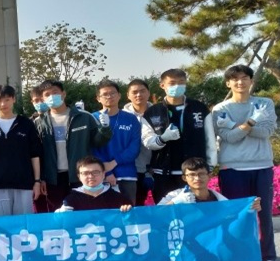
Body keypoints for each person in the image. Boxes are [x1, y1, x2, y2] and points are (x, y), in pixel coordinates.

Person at [158, 157, 262, 261]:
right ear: (184, 177)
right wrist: (177, 202)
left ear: (209, 175)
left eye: (201, 174)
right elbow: (156, 215)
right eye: (192, 175)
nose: (197, 178)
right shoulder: (175, 195)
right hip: (186, 243)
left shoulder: (220, 200)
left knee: (229, 245)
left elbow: (237, 219)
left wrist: (251, 209)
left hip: (214, 243)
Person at [212, 65, 280, 261]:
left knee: (264, 214)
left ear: (251, 81)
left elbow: (266, 132)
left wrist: (237, 125)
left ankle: (268, 257)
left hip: (262, 165)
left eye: (244, 78)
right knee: (236, 215)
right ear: (228, 83)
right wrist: (251, 122)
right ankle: (238, 257)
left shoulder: (265, 103)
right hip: (232, 168)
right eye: (235, 79)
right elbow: (229, 138)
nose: (240, 82)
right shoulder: (220, 109)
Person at [56, 156, 136, 261]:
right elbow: (59, 225)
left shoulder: (118, 197)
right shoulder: (71, 199)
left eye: (95, 172)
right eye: (85, 173)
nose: (90, 176)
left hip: (112, 246)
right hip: (85, 248)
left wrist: (128, 214)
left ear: (103, 174)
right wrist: (59, 215)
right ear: (79, 176)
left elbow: (133, 224)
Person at [34, 80, 112, 212]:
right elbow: (37, 153)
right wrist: (41, 178)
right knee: (58, 214)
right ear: (43, 98)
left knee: (83, 212)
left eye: (55, 92)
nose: (51, 97)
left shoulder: (84, 117)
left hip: (79, 175)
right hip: (53, 179)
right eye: (47, 94)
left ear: (63, 94)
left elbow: (98, 142)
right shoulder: (39, 122)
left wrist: (105, 128)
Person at [141, 69, 216, 203]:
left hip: (194, 174)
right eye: (172, 83)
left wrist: (210, 166)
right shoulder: (152, 112)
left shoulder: (199, 108)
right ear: (162, 85)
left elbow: (210, 140)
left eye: (181, 82)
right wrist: (163, 138)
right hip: (163, 174)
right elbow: (147, 141)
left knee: (194, 213)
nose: (177, 86)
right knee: (166, 212)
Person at [0, 84, 42, 216]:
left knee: (23, 223)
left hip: (23, 183)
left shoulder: (25, 123)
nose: (3, 104)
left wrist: (37, 181)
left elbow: (35, 155)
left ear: (13, 99)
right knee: (1, 223)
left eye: (7, 99)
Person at [92, 80, 141, 203]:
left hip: (127, 174)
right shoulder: (92, 118)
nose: (109, 96)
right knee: (103, 212)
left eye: (113, 93)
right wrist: (106, 170)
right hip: (100, 175)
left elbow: (134, 147)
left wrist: (114, 162)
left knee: (128, 210)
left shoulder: (131, 119)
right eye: (105, 94)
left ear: (119, 95)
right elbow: (91, 148)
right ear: (98, 98)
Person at [123, 79, 154, 206]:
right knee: (136, 205)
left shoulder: (160, 112)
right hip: (132, 170)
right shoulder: (122, 116)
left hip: (158, 169)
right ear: (128, 95)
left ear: (148, 93)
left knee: (164, 205)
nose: (139, 95)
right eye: (134, 92)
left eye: (142, 91)